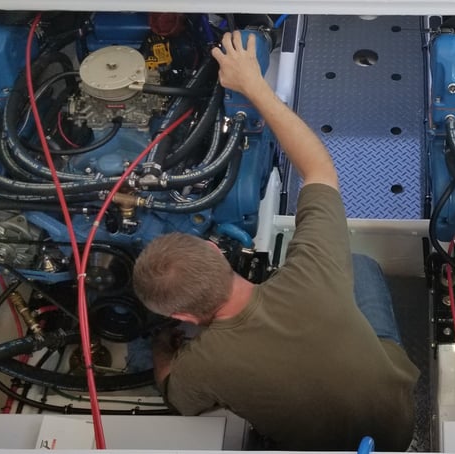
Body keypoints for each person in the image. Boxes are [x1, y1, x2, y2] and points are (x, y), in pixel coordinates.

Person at [132, 31, 419, 451]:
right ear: (216, 251)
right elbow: (320, 169)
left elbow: (177, 397)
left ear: (186, 318)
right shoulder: (312, 274)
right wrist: (254, 86)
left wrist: (161, 345)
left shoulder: (204, 365)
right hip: (398, 424)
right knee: (358, 265)